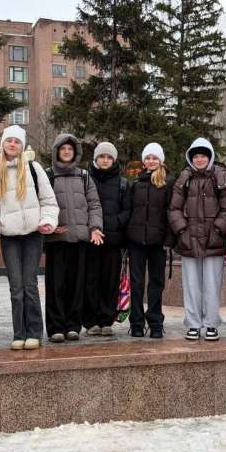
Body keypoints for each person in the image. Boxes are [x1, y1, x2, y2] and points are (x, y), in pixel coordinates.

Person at [0, 125, 59, 350]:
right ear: (3, 144)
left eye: (16, 141)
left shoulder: (34, 168)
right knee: (16, 287)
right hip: (10, 237)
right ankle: (19, 333)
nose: (12, 145)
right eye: (9, 141)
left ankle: (34, 332)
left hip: (33, 234)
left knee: (30, 284)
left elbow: (48, 201)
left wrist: (48, 221)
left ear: (22, 145)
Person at [168, 138, 226, 341]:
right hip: (189, 241)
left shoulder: (220, 177)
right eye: (195, 156)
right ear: (191, 157)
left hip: (214, 241)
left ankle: (211, 323)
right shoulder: (184, 178)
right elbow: (174, 209)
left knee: (212, 286)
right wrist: (182, 231)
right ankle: (193, 324)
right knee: (191, 285)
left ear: (210, 157)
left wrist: (218, 230)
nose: (199, 159)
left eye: (203, 155)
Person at [44, 134, 103, 343]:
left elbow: (94, 204)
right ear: (57, 152)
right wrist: (49, 226)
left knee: (76, 285)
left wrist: (95, 227)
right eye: (63, 149)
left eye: (70, 149)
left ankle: (72, 326)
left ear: (75, 152)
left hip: (79, 238)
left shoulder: (84, 176)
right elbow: (43, 203)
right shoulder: (48, 175)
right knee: (55, 285)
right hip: (56, 239)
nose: (67, 152)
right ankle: (55, 327)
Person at [125, 142, 175, 339]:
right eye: (148, 158)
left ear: (160, 160)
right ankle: (136, 322)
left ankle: (155, 322)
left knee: (156, 283)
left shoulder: (168, 183)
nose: (151, 161)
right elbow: (129, 211)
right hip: (136, 241)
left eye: (155, 158)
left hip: (158, 242)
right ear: (144, 161)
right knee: (136, 283)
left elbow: (172, 212)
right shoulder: (136, 183)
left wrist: (169, 239)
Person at [83, 142, 130, 337]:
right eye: (102, 156)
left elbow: (127, 210)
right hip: (89, 239)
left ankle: (107, 319)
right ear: (95, 158)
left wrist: (114, 223)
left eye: (109, 157)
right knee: (90, 279)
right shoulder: (85, 179)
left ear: (114, 160)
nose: (105, 160)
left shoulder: (122, 183)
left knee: (109, 280)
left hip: (112, 240)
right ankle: (90, 320)